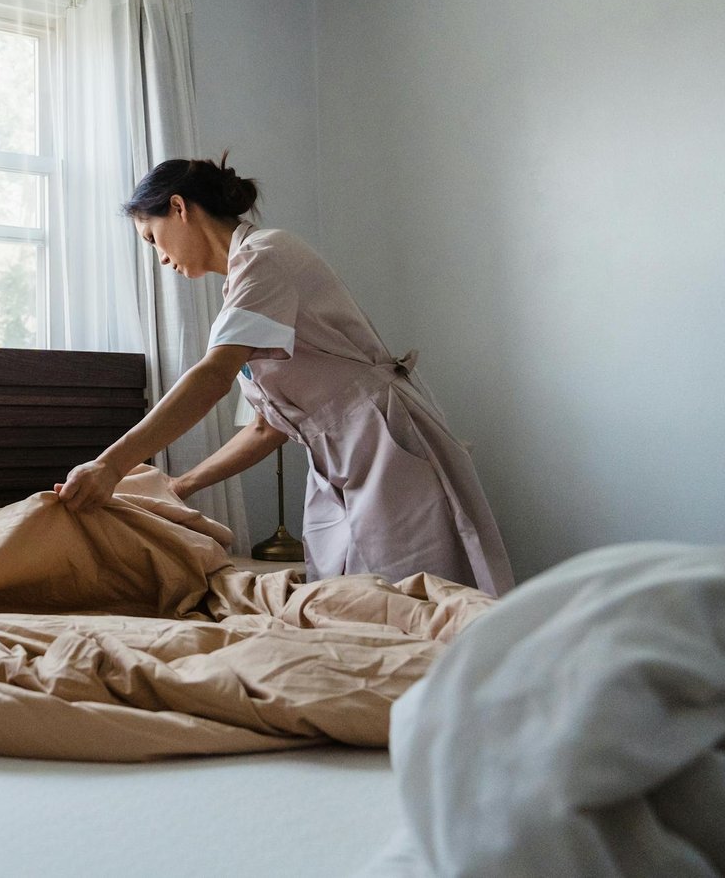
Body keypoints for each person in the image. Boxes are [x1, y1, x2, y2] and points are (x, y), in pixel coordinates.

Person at [55, 154, 513, 596]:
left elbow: (213, 376)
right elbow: (265, 425)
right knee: (351, 604)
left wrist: (110, 465)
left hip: (382, 440)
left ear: (178, 208)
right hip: (337, 457)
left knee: (419, 601)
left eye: (152, 238)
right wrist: (182, 485)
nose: (160, 259)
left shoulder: (265, 257)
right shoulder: (245, 281)